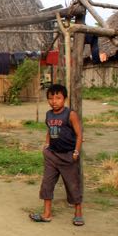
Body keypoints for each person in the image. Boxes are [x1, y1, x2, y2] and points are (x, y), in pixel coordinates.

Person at [29, 84, 84, 226]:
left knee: (72, 185)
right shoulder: (49, 114)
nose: (54, 101)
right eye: (50, 98)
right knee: (47, 184)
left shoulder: (70, 114)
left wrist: (76, 152)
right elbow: (50, 130)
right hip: (52, 155)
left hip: (68, 156)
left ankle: (78, 213)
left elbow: (79, 135)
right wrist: (46, 145)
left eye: (58, 98)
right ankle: (46, 214)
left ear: (64, 99)